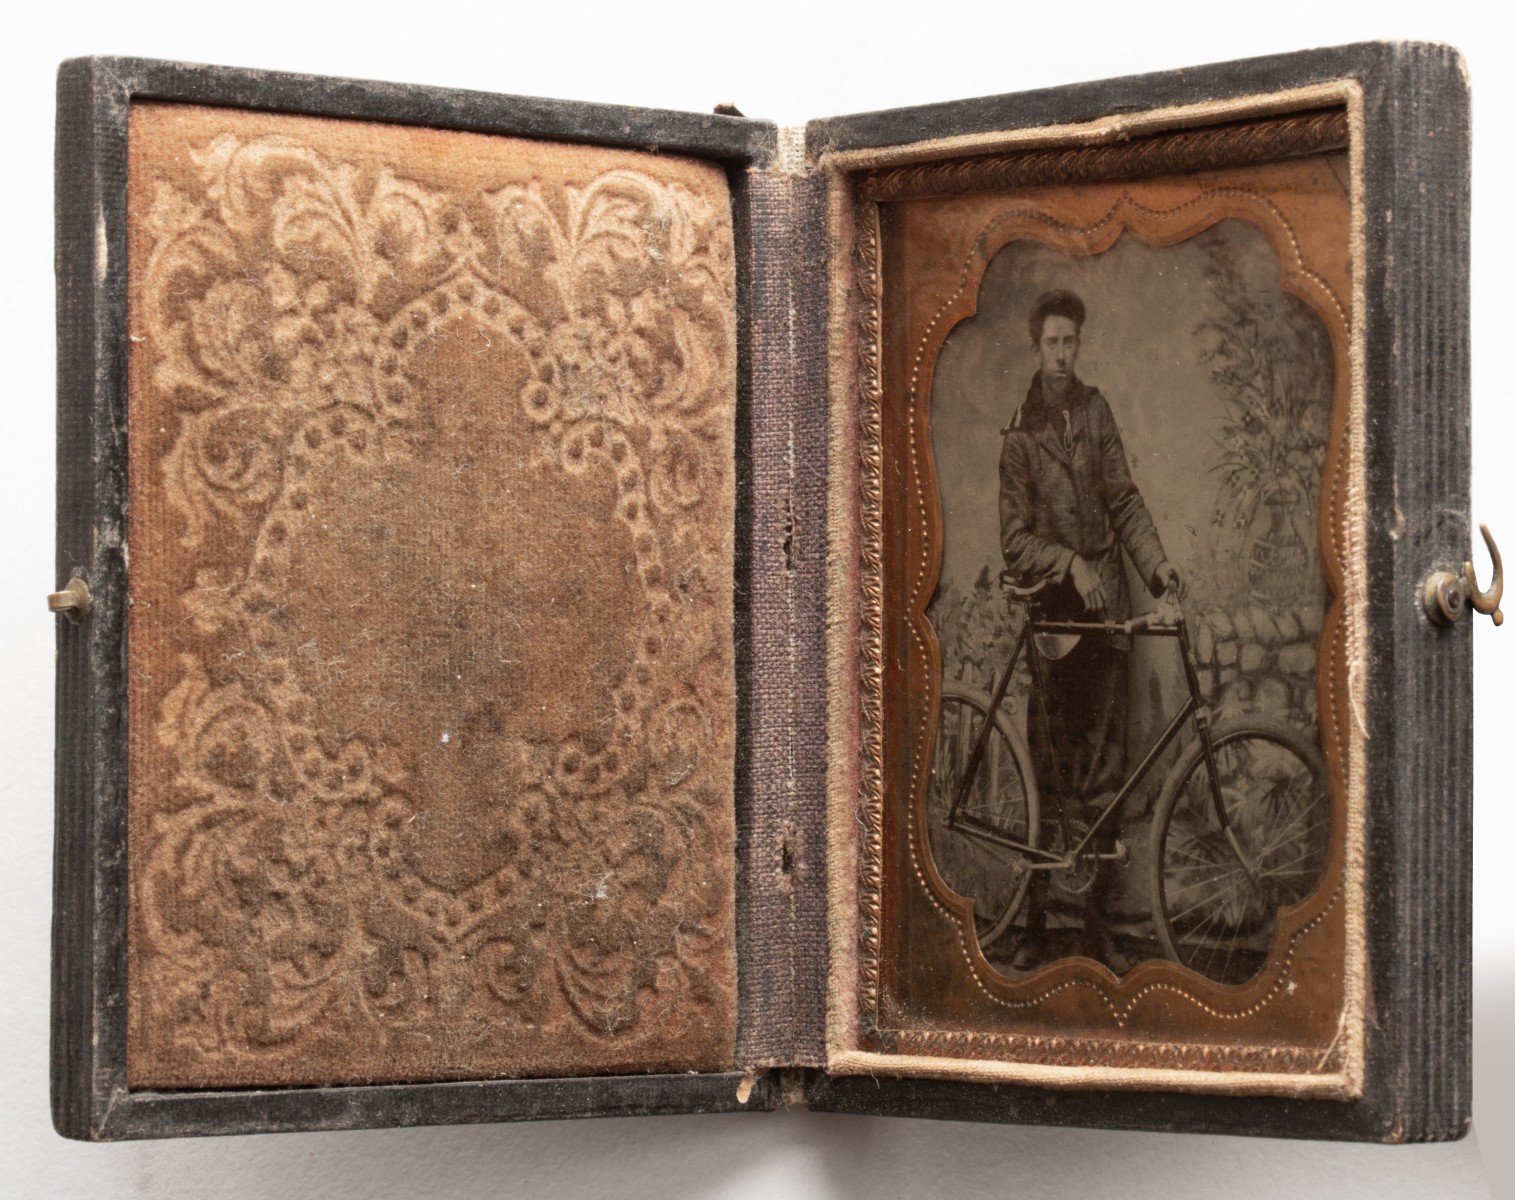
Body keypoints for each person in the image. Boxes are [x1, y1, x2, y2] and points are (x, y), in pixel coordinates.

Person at [998, 289, 1180, 968]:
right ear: (1034, 345)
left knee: (1105, 770)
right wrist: (1068, 560)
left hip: (1102, 613)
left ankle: (1097, 928)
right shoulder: (1019, 436)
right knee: (1047, 768)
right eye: (1051, 343)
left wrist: (1157, 569)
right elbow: (1014, 541)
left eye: (1070, 342)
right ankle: (1035, 924)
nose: (1062, 355)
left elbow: (1123, 498)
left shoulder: (1095, 412)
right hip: (1051, 616)